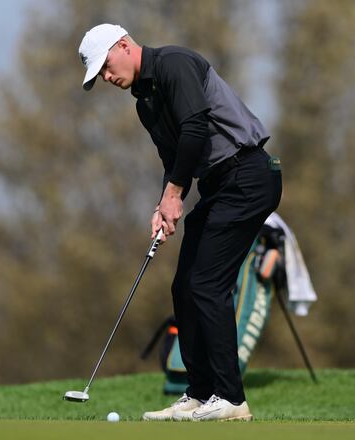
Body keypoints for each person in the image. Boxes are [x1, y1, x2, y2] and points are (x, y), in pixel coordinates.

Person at [79, 24, 282, 422]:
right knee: (185, 285)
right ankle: (200, 391)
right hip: (219, 185)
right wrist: (164, 203)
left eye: (105, 66)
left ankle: (231, 399)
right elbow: (175, 162)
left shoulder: (174, 64)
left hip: (249, 174)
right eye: (99, 74)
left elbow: (195, 128)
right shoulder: (145, 103)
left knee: (208, 283)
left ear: (123, 46)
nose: (105, 77)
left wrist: (174, 195)